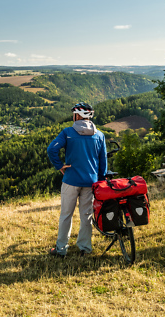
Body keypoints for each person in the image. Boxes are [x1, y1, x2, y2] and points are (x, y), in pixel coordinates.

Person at [46, 102, 108, 257]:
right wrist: (100, 180)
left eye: (74, 114)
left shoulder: (68, 132)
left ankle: (61, 249)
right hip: (90, 181)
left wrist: (59, 165)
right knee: (86, 216)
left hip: (71, 180)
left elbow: (52, 149)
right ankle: (85, 248)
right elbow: (103, 161)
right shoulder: (99, 135)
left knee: (66, 215)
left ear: (78, 116)